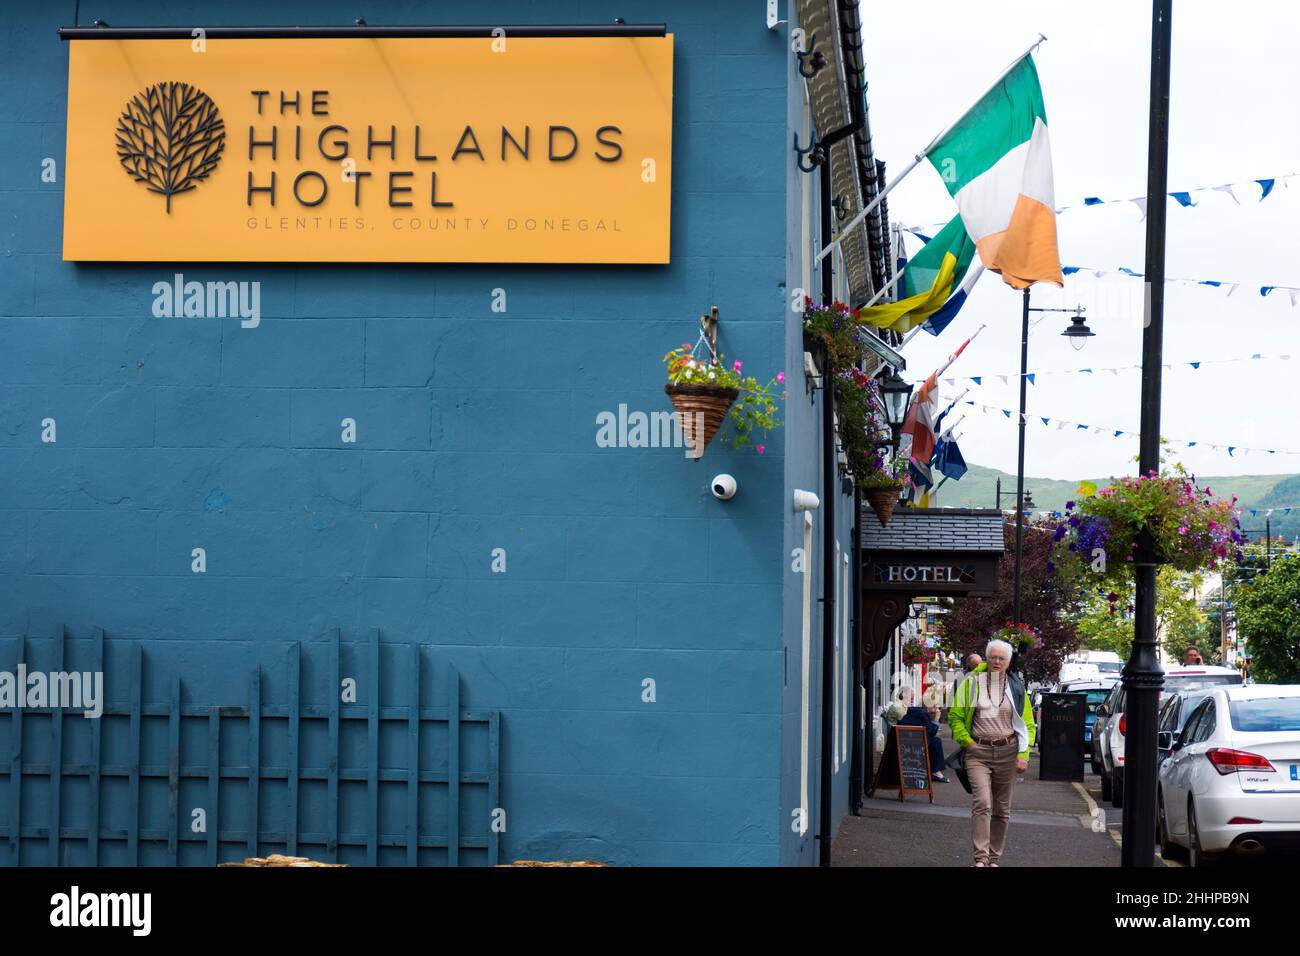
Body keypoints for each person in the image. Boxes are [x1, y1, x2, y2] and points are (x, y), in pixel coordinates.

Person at [948, 639, 1036, 867]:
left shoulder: (1015, 687)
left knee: (1002, 809)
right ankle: (981, 858)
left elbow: (1027, 724)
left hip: (1008, 753)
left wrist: (1023, 755)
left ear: (1008, 662)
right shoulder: (972, 683)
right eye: (993, 657)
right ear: (986, 658)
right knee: (983, 803)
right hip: (978, 753)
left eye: (1002, 658)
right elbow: (955, 716)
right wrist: (968, 743)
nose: (997, 661)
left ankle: (994, 858)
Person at [897, 693, 949, 783]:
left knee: (935, 741)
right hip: (912, 747)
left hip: (905, 742)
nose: (938, 707)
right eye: (936, 704)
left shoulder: (916, 711)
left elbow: (927, 730)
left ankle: (935, 771)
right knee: (936, 741)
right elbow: (931, 732)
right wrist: (936, 719)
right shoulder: (923, 714)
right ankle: (936, 772)